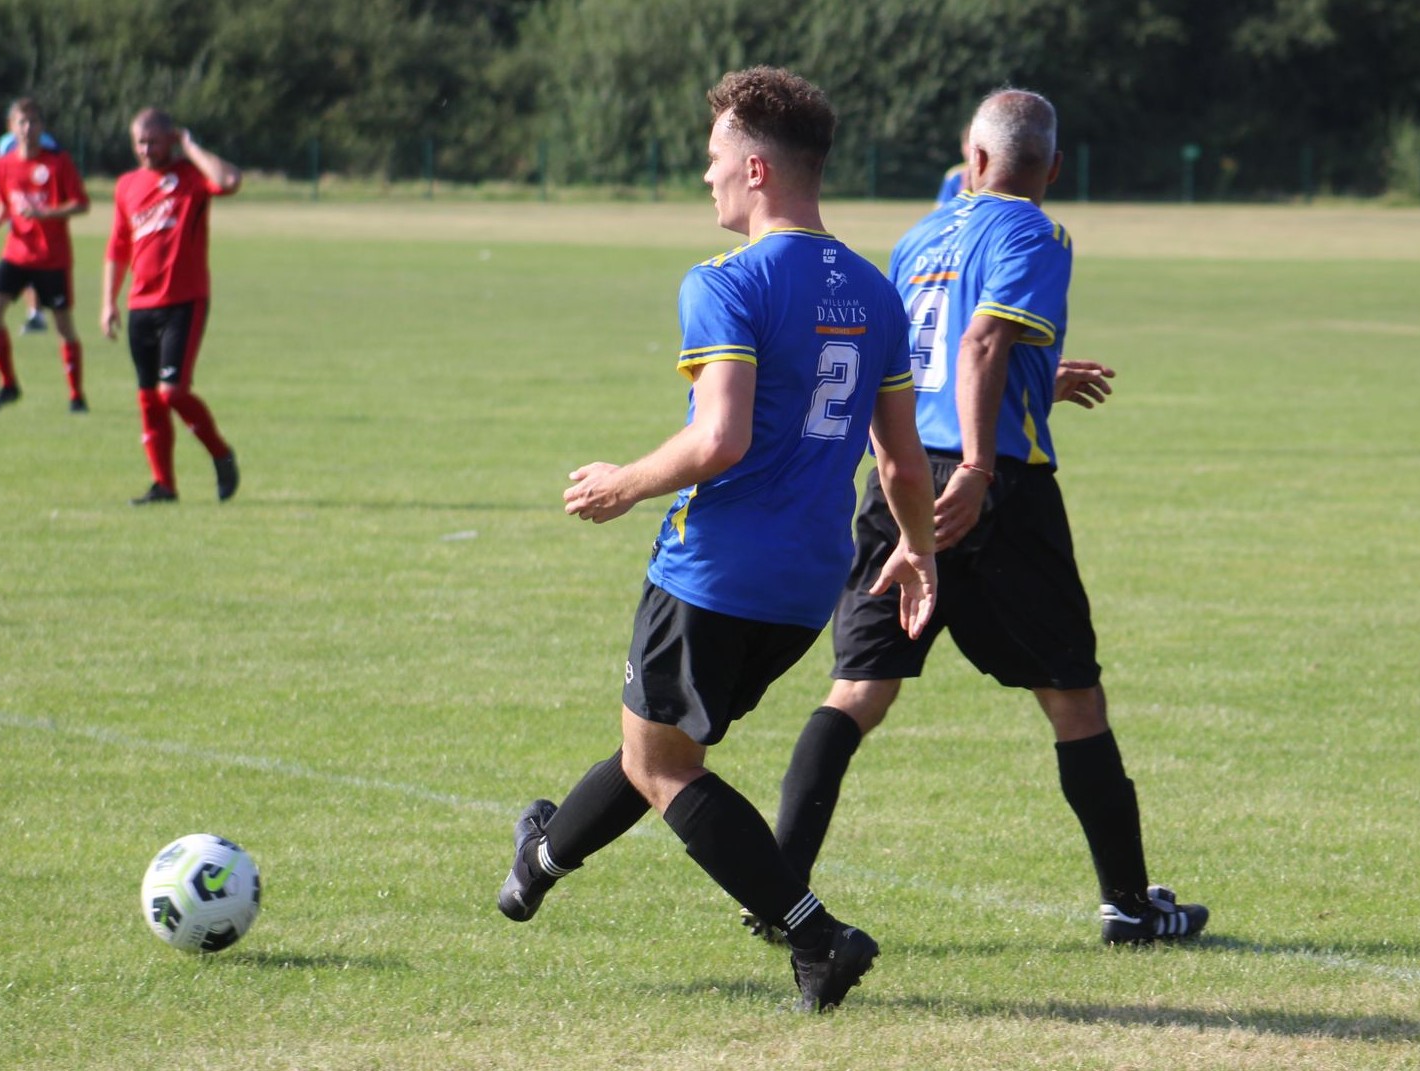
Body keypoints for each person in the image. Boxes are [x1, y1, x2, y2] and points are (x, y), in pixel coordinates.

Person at [493, 66, 938, 1014]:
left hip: (712, 570)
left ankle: (817, 937)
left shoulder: (726, 284)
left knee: (663, 763)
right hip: (807, 583)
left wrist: (624, 481)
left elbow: (719, 437)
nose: (707, 178)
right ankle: (539, 854)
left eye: (714, 160)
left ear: (759, 169)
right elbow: (901, 463)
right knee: (654, 744)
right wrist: (919, 548)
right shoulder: (876, 290)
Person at [761, 88, 1209, 947]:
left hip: (898, 476)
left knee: (857, 691)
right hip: (994, 484)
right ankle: (1128, 905)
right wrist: (975, 464)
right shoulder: (1038, 231)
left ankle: (777, 892)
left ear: (970, 161)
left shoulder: (919, 236)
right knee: (1072, 694)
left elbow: (923, 357)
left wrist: (1039, 381)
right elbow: (980, 344)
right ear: (1053, 169)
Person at [102, 108, 242, 506]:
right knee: (148, 398)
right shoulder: (127, 185)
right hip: (140, 304)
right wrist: (107, 302)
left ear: (171, 140)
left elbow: (229, 180)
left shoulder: (193, 177)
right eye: (139, 143)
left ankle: (220, 452)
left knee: (172, 393)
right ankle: (163, 485)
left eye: (154, 141)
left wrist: (192, 146)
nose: (146, 149)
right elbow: (117, 246)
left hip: (184, 301)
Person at [0, 98, 89, 412]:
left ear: (42, 126)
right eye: (22, 123)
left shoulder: (58, 163)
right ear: (11, 128)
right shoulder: (5, 164)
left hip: (52, 258)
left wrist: (45, 213)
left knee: (64, 327)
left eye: (34, 122)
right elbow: (6, 204)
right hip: (16, 253)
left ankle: (76, 396)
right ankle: (8, 386)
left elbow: (81, 204)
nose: (28, 129)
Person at [0, 125, 64, 335]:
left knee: (37, 267)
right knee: (23, 264)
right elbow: (5, 179)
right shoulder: (6, 144)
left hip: (42, 217)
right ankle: (35, 312)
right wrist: (2, 215)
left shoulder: (49, 143)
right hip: (19, 215)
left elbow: (56, 173)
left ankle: (41, 312)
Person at [934, 126, 971, 205]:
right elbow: (941, 210)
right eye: (967, 143)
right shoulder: (954, 175)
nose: (971, 149)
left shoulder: (995, 176)